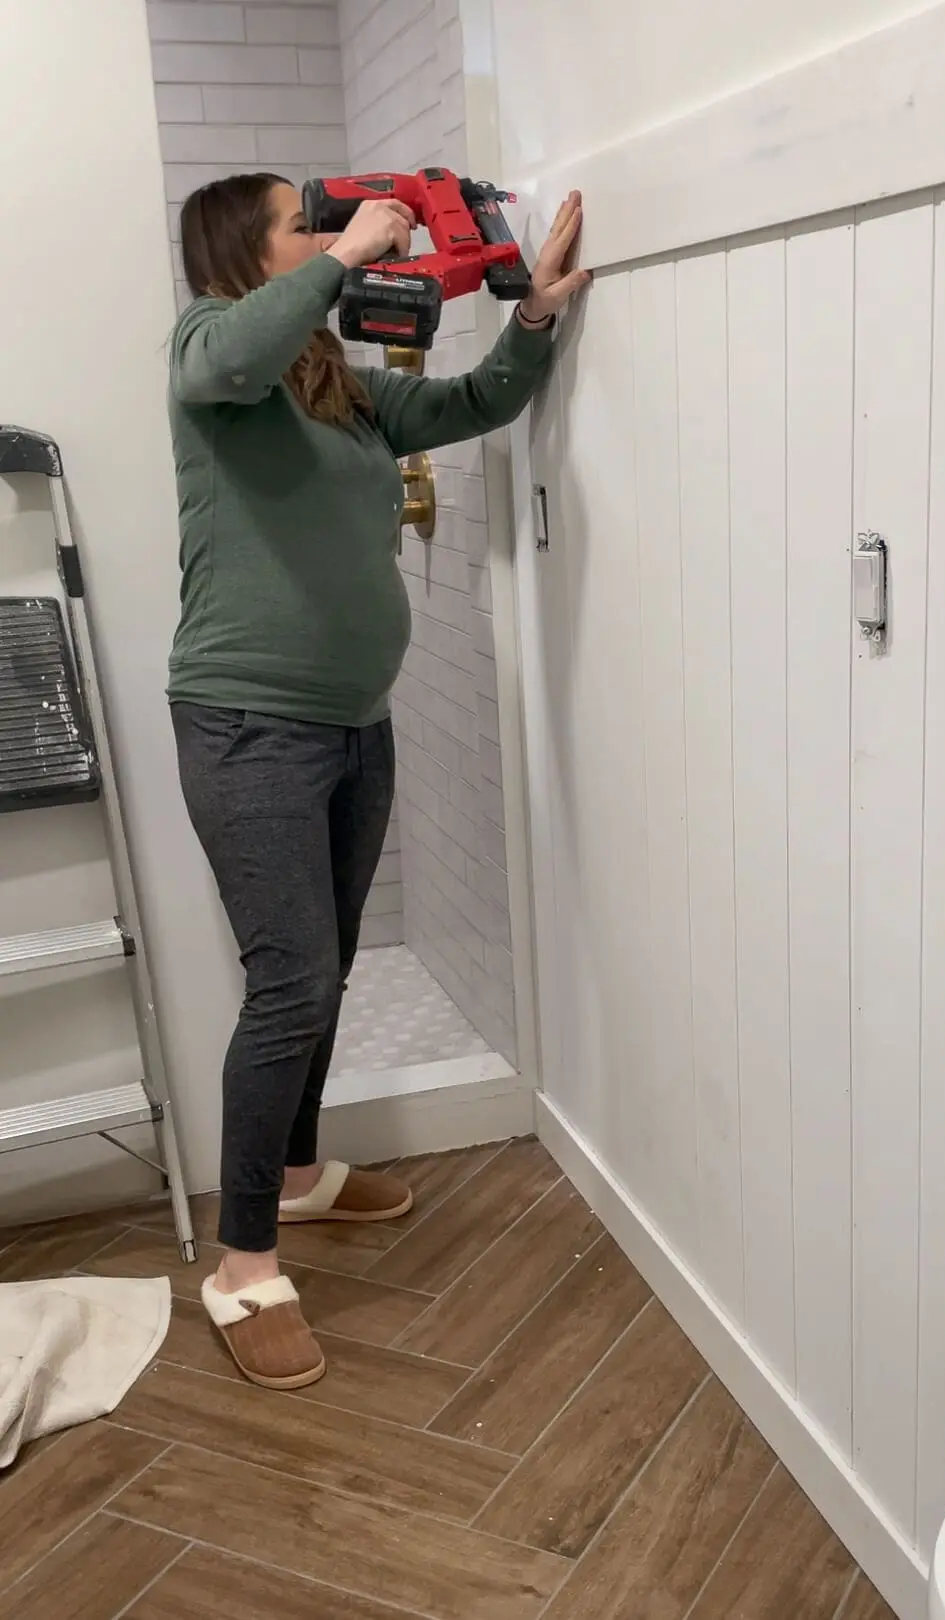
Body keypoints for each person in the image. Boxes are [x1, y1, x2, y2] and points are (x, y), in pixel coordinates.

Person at [166, 171, 588, 1390]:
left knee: (329, 963)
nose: (332, 236)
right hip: (246, 725)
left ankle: (296, 1178)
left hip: (354, 724)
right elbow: (228, 358)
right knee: (289, 979)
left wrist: (537, 312)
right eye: (303, 224)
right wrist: (348, 252)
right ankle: (244, 1266)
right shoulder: (215, 350)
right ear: (247, 253)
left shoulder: (336, 386)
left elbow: (473, 401)